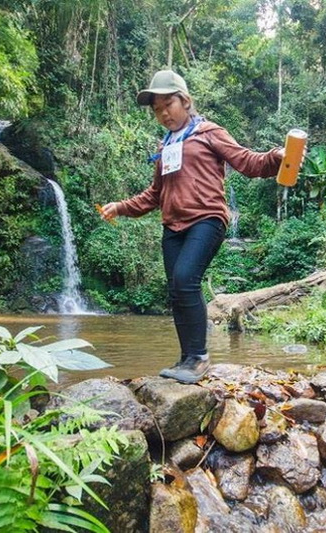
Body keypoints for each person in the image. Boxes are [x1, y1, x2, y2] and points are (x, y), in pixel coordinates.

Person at [100, 69, 285, 384]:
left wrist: (277, 157)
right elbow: (155, 195)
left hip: (207, 219)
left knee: (186, 279)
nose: (163, 114)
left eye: (167, 105)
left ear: (185, 101)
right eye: (157, 110)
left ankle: (199, 358)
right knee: (176, 290)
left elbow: (248, 162)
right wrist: (120, 207)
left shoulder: (209, 132)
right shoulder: (165, 148)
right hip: (173, 227)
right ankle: (186, 359)